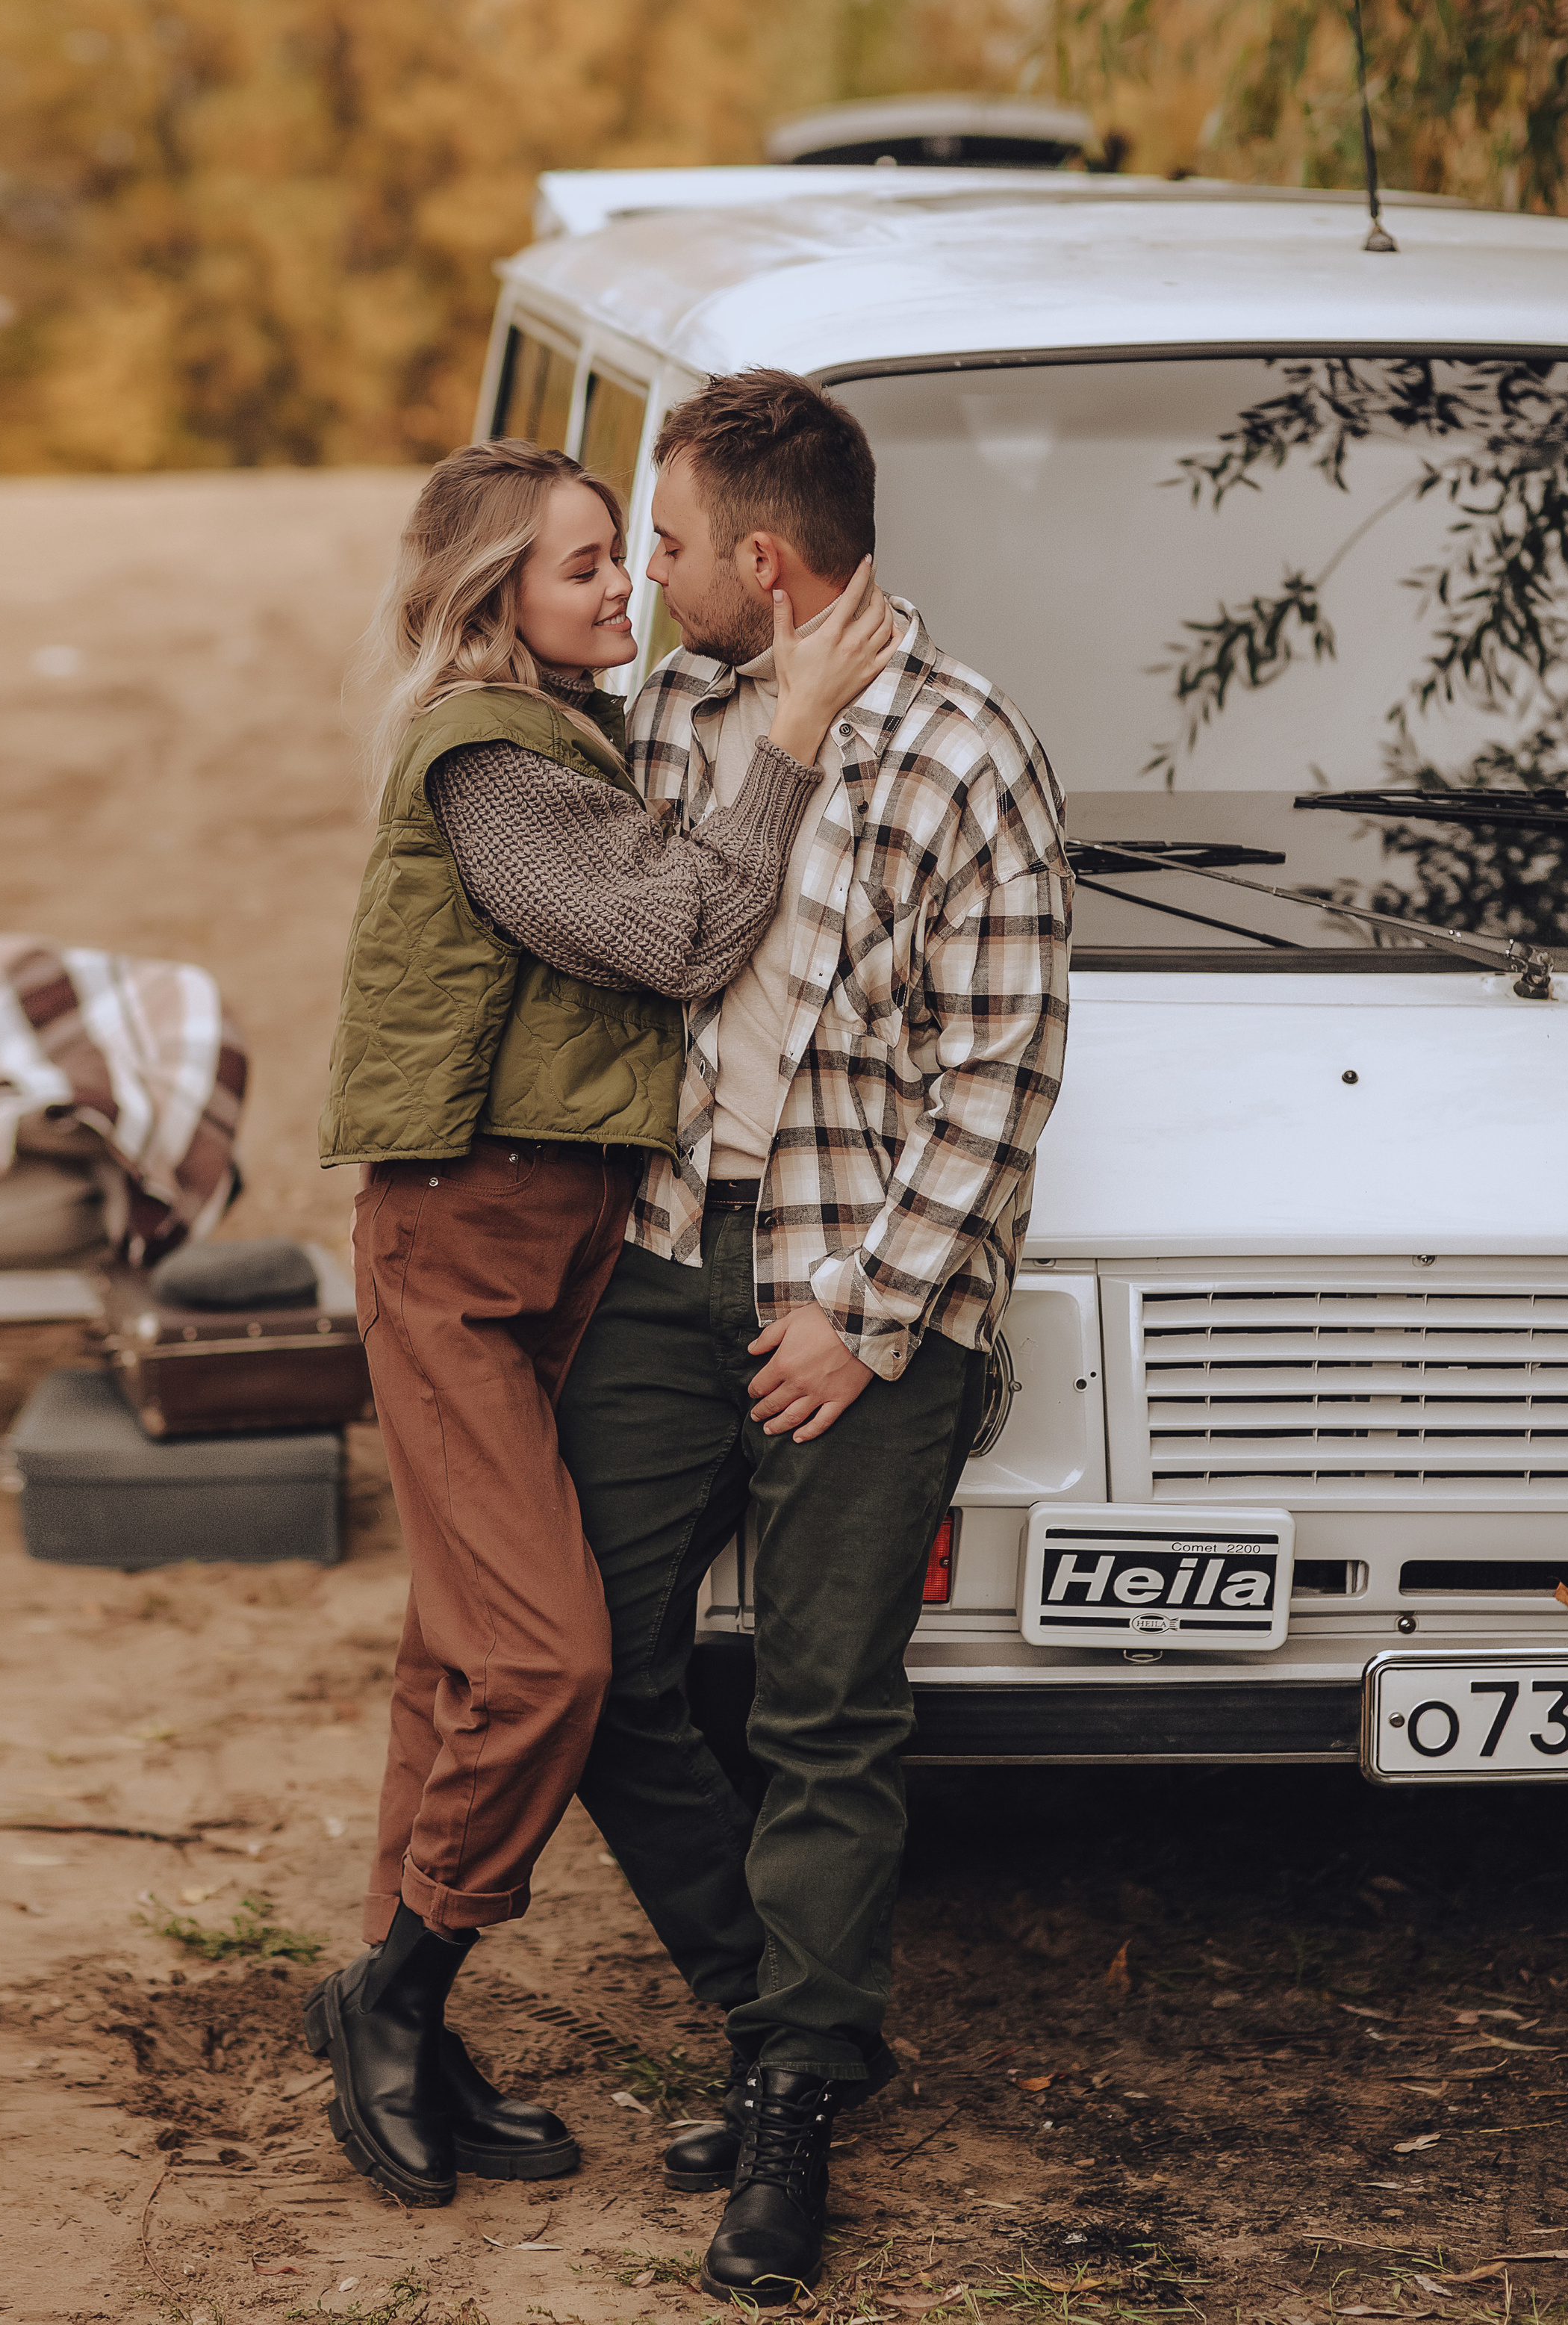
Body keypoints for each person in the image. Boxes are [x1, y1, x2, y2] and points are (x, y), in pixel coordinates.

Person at [306, 438, 893, 2209]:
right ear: (496, 600)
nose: (618, 592)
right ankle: (388, 2000)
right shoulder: (490, 761)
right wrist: (792, 736)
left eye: (622, 558)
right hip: (461, 1249)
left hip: (564, 1249)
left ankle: (416, 2013)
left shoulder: (580, 730)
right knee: (551, 1659)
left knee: (458, 1652)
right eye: (581, 570)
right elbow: (675, 935)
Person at [553, 370, 1071, 2306]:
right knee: (582, 1654)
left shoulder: (968, 753)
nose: (646, 571)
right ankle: (797, 2007)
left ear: (761, 562)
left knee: (821, 1706)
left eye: (667, 541)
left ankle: (783, 2109)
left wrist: (858, 1318)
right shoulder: (678, 710)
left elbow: (1002, 1073)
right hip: (677, 1253)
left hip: (870, 1281)